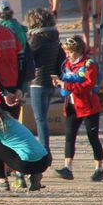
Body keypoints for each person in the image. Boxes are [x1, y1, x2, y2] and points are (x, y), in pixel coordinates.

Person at [53, 35, 103, 182]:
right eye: (66, 52)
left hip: (88, 107)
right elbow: (68, 81)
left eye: (70, 52)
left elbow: (87, 85)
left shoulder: (89, 64)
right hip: (72, 105)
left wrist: (66, 85)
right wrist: (60, 83)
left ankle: (99, 169)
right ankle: (67, 168)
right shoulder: (68, 65)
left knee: (92, 137)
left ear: (79, 51)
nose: (67, 55)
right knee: (69, 136)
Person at [0, 104, 52, 191]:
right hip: (44, 160)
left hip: (26, 164)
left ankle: (1, 180)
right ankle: (34, 175)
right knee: (19, 148)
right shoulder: (12, 121)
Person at [24, 8, 62, 154]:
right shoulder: (54, 37)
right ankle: (45, 147)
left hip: (38, 82)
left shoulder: (36, 39)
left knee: (40, 119)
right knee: (43, 117)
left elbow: (28, 58)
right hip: (51, 82)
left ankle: (44, 150)